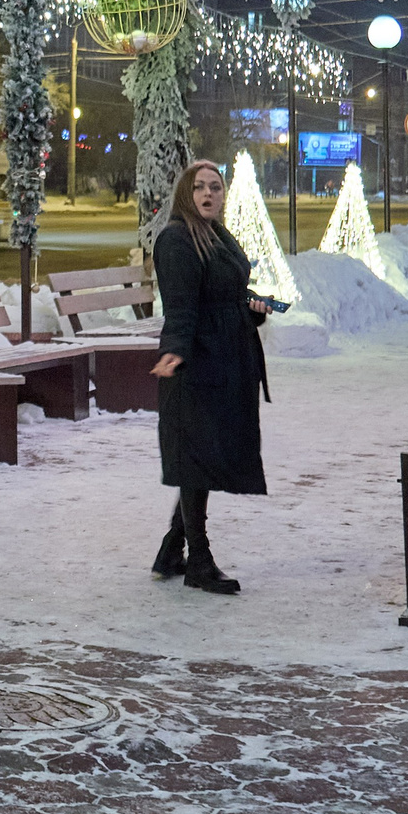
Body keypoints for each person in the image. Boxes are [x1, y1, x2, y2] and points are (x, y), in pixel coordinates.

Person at [148, 159, 272, 596]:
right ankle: (198, 561)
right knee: (197, 460)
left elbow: (225, 293)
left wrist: (251, 307)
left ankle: (171, 550)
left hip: (225, 362)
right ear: (187, 193)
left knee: (204, 459)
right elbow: (180, 306)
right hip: (197, 366)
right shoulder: (177, 239)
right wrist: (174, 350)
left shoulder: (216, 234)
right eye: (199, 186)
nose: (207, 194)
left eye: (215, 187)